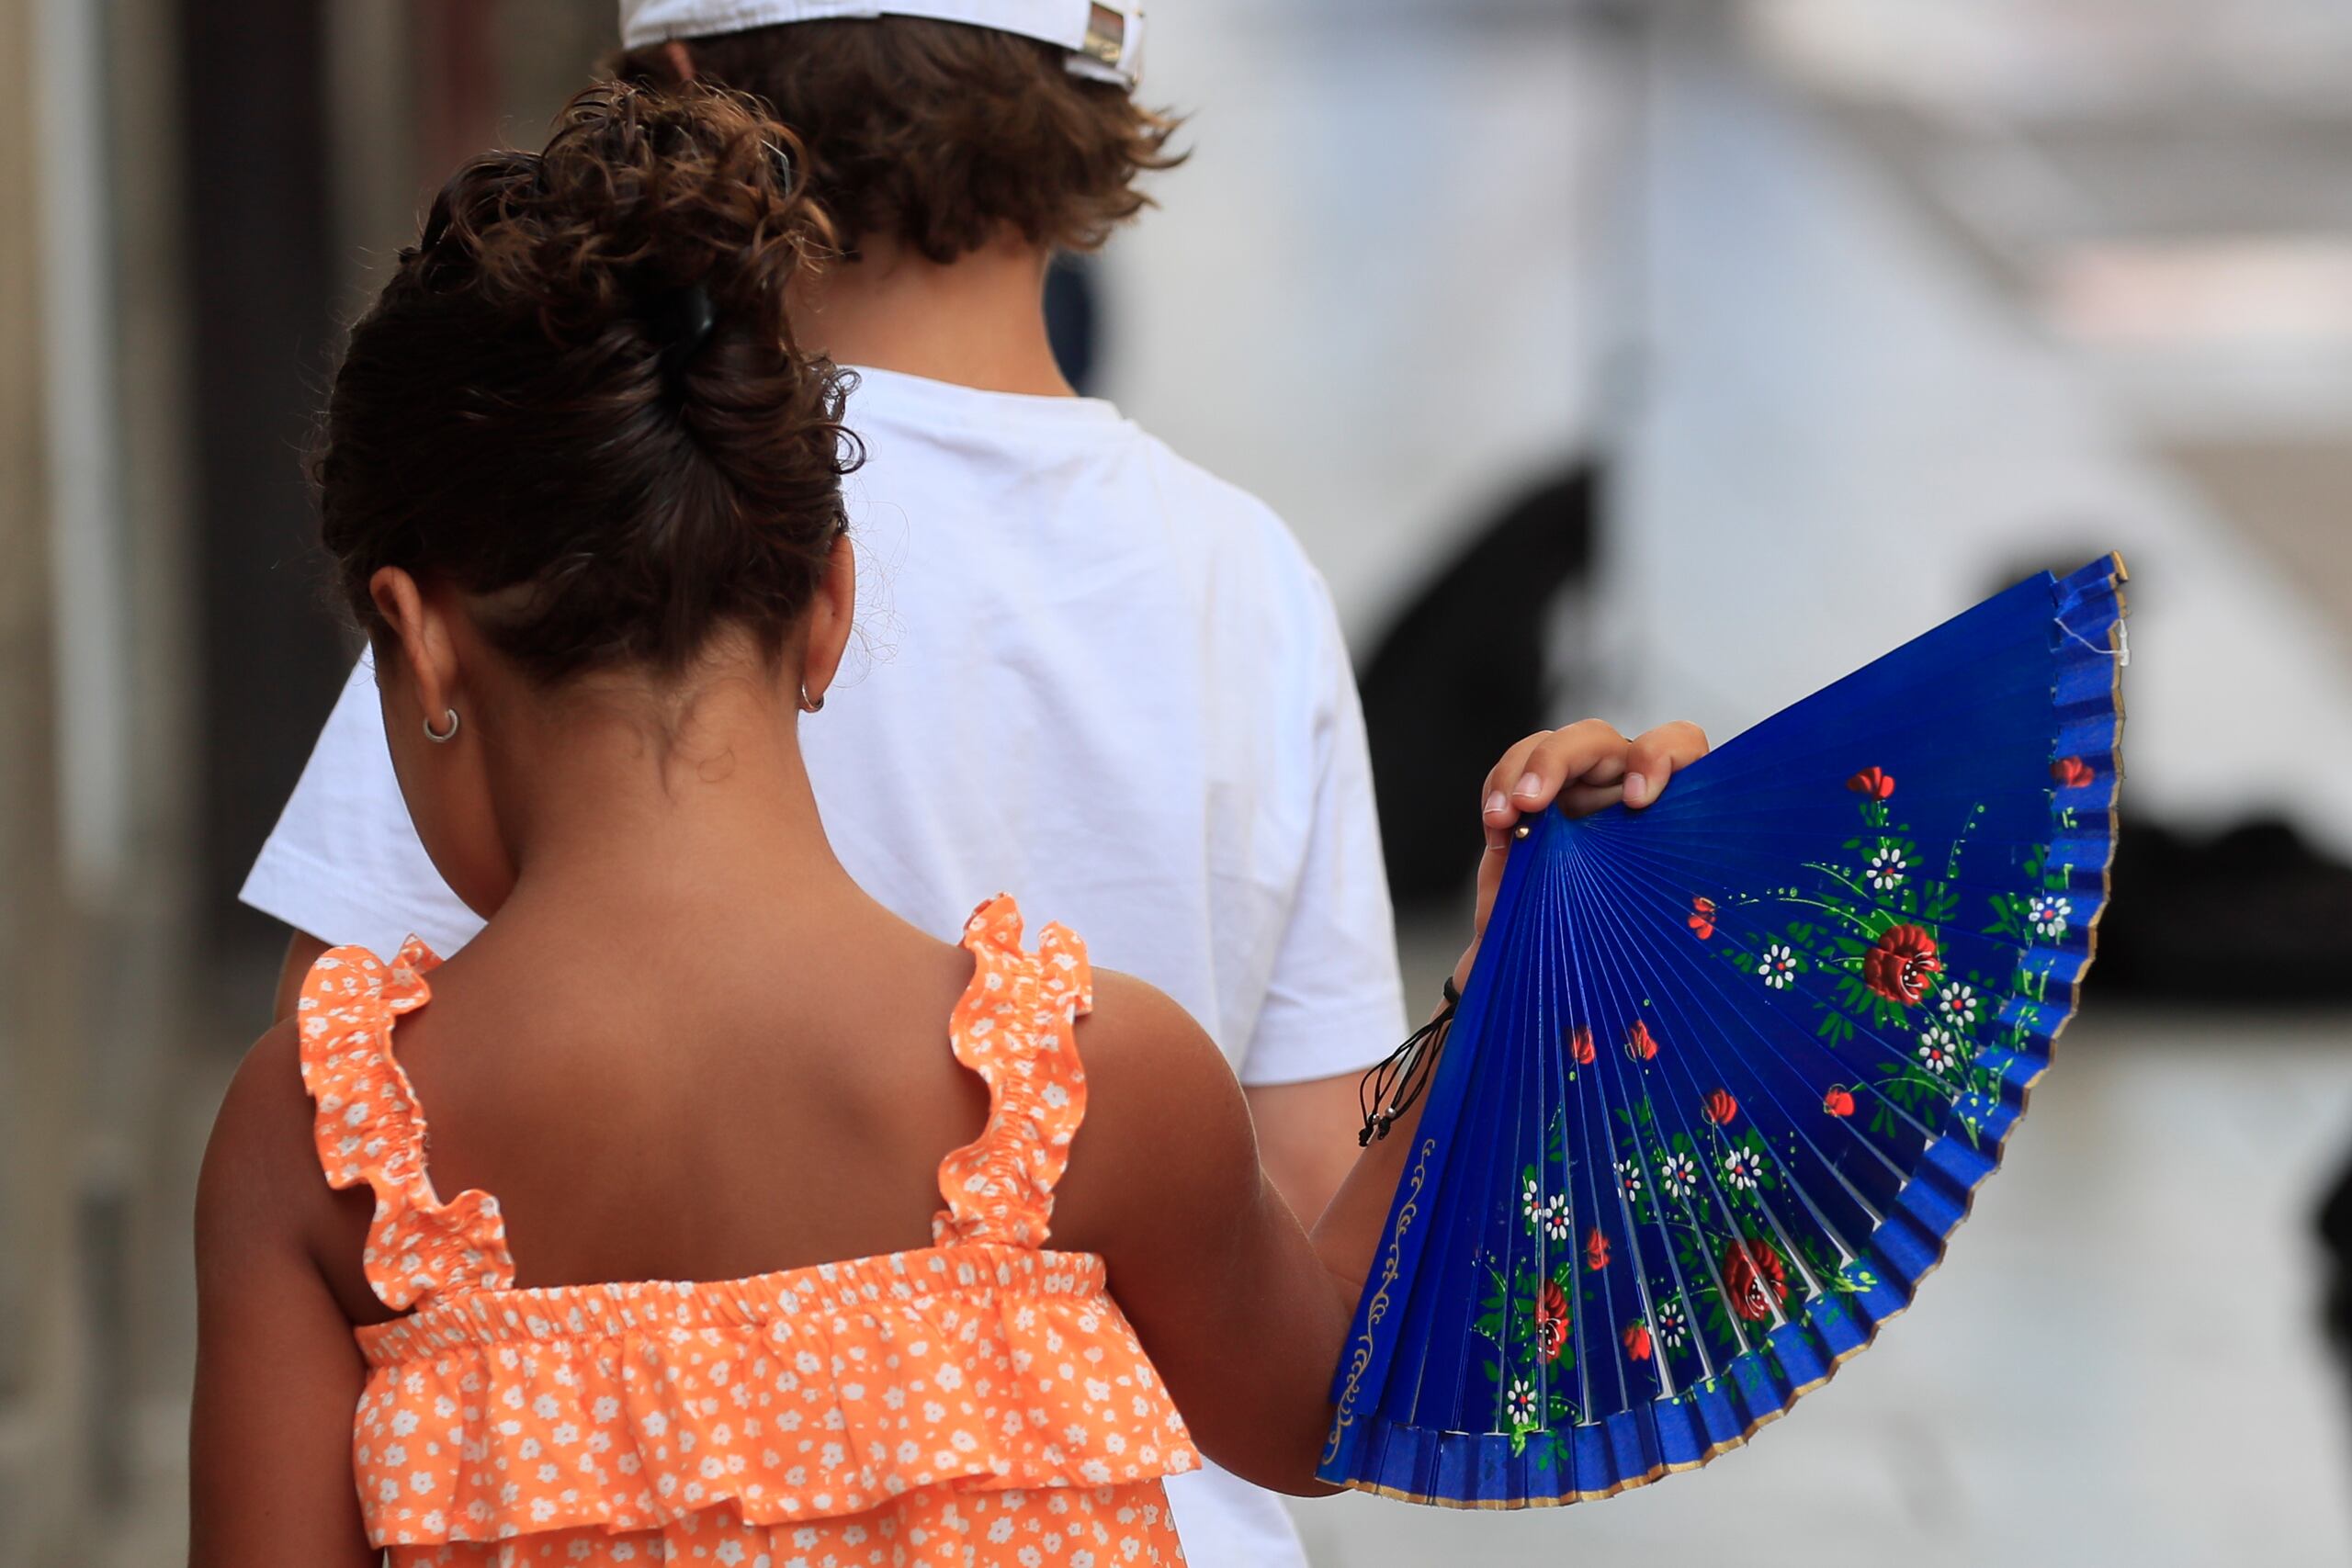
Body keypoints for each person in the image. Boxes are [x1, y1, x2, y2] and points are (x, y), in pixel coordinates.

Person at [190, 85, 1708, 1564]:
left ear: (422, 636)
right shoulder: (1091, 1090)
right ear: (831, 604)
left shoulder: (320, 1144)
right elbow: (1331, 1405)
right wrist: (1506, 979)